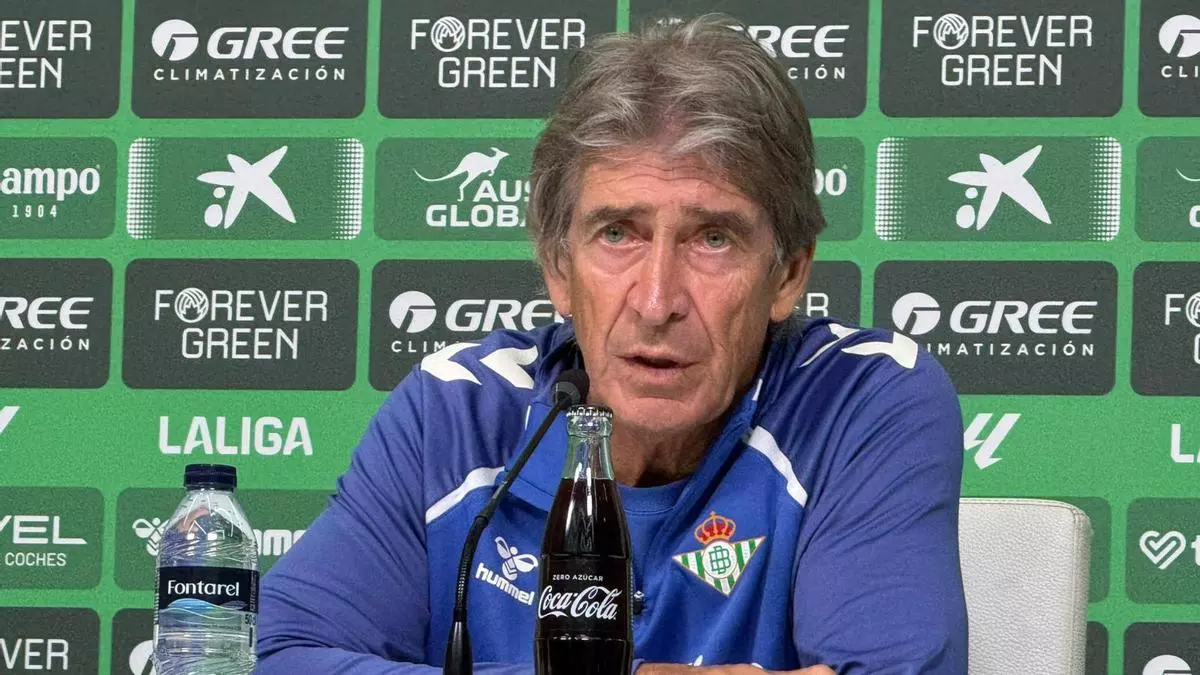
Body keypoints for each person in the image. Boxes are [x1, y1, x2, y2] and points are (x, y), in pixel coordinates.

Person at [256, 14, 968, 675]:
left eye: (713, 239)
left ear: (788, 274)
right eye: (618, 233)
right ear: (557, 267)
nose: (657, 302)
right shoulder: (454, 412)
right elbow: (275, 655)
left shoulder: (862, 400)